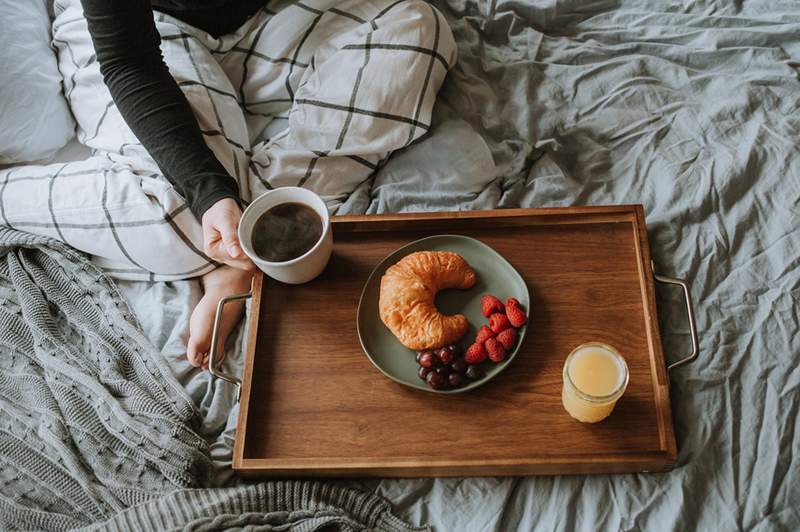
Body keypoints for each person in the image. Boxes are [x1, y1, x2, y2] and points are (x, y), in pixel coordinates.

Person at [0, 0, 455, 368]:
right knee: (183, 225)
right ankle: (8, 197)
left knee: (418, 27)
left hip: (269, 16)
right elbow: (128, 61)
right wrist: (209, 194)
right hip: (146, 39)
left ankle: (244, 248)